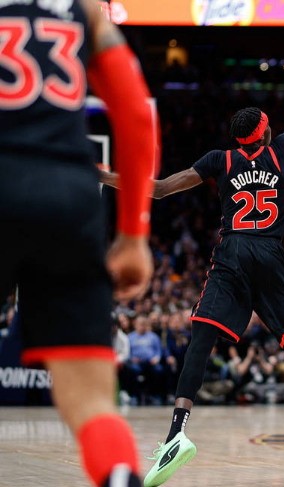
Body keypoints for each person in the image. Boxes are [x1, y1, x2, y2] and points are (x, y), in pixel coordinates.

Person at [100, 11, 284, 485]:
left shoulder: (219, 160)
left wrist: (104, 175)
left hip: (234, 252)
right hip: (270, 254)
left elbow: (158, 189)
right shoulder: (282, 147)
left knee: (201, 336)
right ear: (264, 132)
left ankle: (177, 434)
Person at [0, 0, 158, 484]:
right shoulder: (83, 7)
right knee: (92, 404)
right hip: (66, 197)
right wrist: (133, 235)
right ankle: (118, 476)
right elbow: (135, 112)